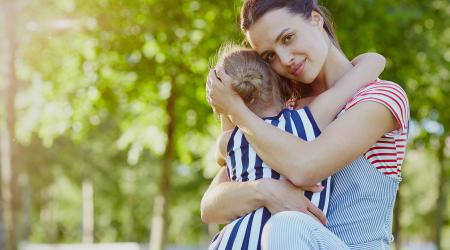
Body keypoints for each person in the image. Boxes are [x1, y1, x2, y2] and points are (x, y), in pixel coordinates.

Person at [202, 0, 409, 249]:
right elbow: (211, 205)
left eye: (288, 38)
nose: (285, 59)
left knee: (287, 225)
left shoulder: (380, 98)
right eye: (270, 56)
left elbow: (306, 167)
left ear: (315, 19)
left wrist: (237, 111)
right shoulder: (282, 113)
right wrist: (266, 190)